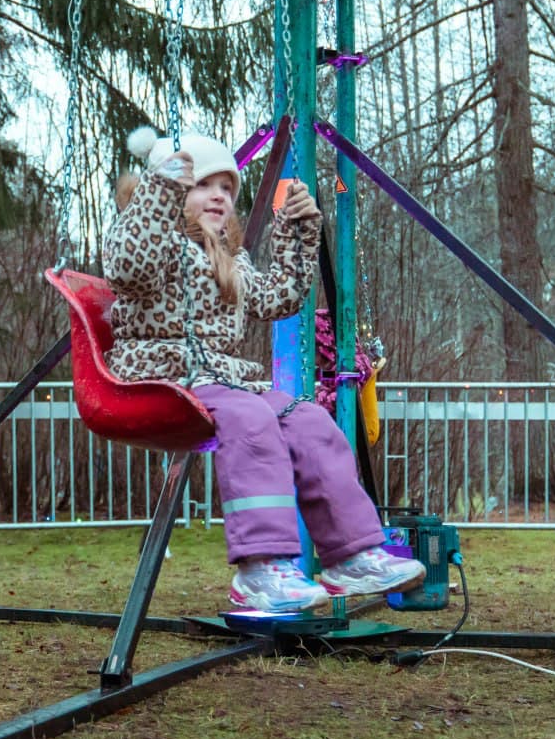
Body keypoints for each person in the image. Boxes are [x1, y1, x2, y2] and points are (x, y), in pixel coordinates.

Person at [104, 127, 426, 614]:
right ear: (171, 186)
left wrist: (296, 232)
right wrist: (160, 190)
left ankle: (351, 554)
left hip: (219, 381)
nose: (219, 196)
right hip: (161, 375)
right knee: (251, 419)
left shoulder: (228, 258)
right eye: (203, 184)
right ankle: (260, 568)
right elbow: (129, 267)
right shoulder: (153, 241)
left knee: (309, 419)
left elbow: (280, 298)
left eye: (226, 187)